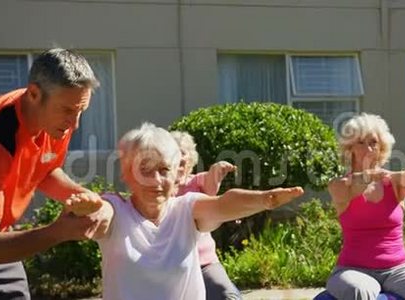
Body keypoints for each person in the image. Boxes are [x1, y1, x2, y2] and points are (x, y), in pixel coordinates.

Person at [67, 122, 303, 300]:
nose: (156, 180)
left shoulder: (186, 209)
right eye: (145, 170)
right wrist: (90, 209)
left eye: (164, 169)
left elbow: (223, 204)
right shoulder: (116, 209)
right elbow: (102, 214)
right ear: (126, 174)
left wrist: (265, 199)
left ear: (177, 173)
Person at [0, 48, 110, 299]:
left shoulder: (54, 118)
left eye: (81, 110)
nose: (75, 124)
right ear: (34, 94)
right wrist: (58, 231)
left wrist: (88, 198)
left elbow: (44, 170)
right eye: (68, 111)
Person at [325, 113, 405, 300]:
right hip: (353, 270)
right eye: (360, 142)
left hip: (398, 270)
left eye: (373, 142)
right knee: (359, 291)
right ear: (349, 149)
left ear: (381, 148)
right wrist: (371, 175)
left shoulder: (395, 183)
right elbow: (345, 185)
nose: (368, 148)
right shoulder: (342, 186)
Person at [171, 131, 241, 300]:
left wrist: (217, 170)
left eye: (183, 156)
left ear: (190, 161)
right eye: (173, 155)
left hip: (204, 262)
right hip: (172, 266)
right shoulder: (158, 188)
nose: (179, 162)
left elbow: (210, 186)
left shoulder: (196, 181)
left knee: (227, 295)